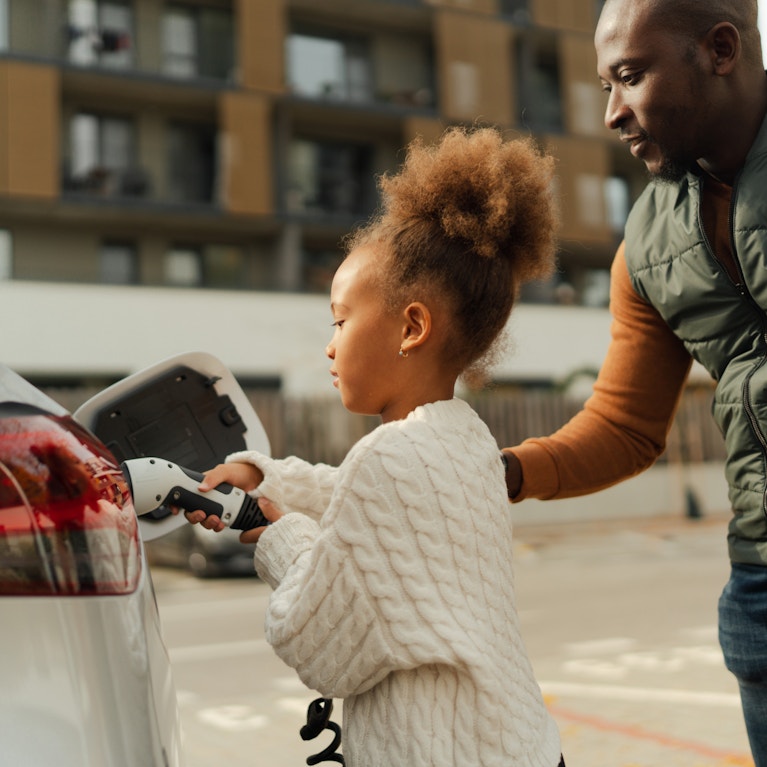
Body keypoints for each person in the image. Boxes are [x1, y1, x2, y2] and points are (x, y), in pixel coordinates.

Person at [184, 127, 564, 766]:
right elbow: (364, 500)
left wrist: (278, 539)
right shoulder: (464, 442)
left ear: (412, 327)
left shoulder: (391, 460)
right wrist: (265, 478)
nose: (330, 345)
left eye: (340, 319)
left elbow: (315, 639)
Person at [501, 0, 767, 763]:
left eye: (629, 76)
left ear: (719, 49)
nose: (612, 112)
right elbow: (621, 427)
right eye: (603, 86)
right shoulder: (644, 247)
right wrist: (501, 473)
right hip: (758, 578)